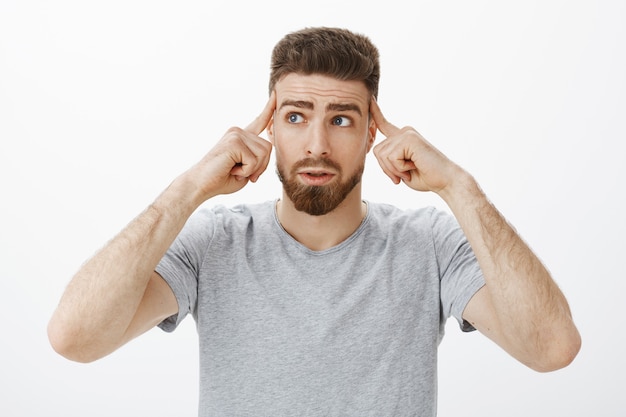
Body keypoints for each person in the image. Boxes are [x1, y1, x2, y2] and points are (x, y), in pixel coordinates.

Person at [48, 27, 581, 416]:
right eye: (296, 116)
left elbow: (552, 349)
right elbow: (75, 338)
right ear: (271, 127)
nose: (317, 145)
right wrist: (189, 188)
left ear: (373, 131)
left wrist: (458, 187)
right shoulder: (216, 241)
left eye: (342, 119)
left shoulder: (430, 245)